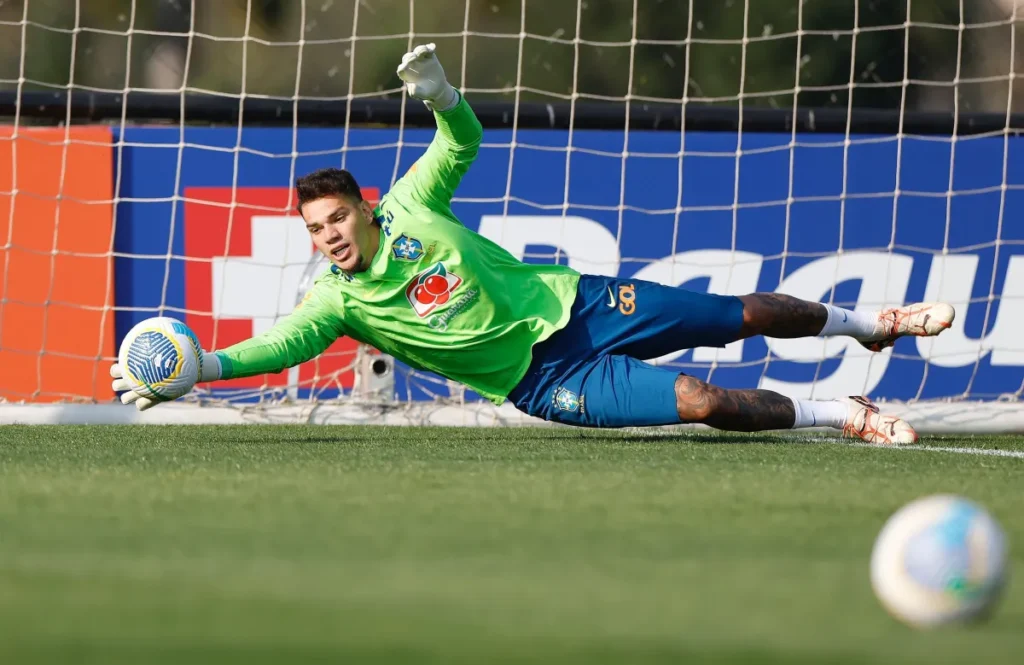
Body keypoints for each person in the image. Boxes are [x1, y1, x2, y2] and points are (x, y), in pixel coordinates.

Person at [111, 44, 954, 445]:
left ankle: (866, 321)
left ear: (363, 209)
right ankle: (844, 415)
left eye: (334, 219)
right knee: (700, 401)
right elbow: (280, 343)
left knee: (735, 314)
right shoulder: (336, 301)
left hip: (576, 304)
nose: (326, 237)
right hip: (547, 379)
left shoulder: (410, 202)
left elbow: (461, 144)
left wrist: (440, 95)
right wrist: (202, 368)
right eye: (314, 229)